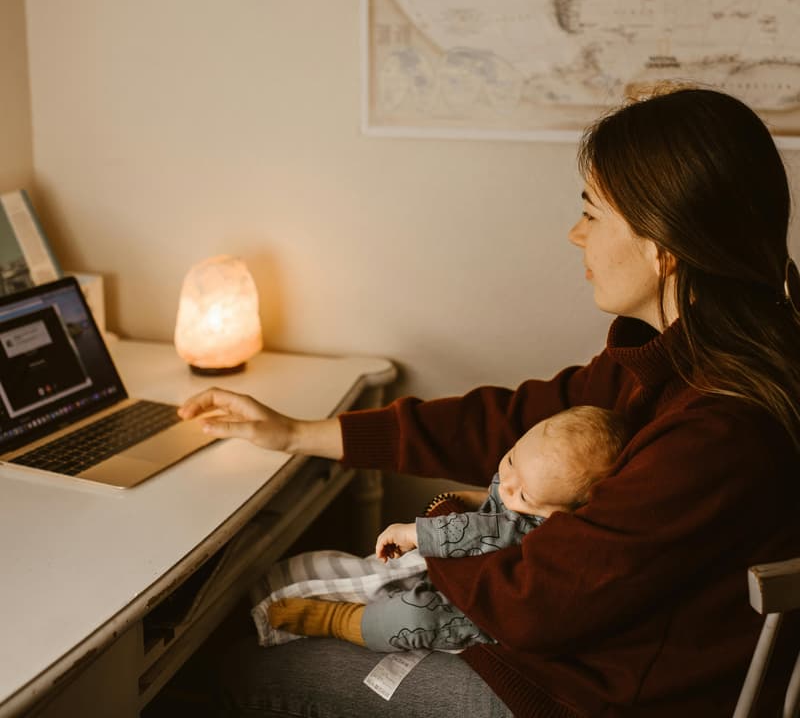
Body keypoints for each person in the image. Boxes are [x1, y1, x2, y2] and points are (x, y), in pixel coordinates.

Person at [179, 86, 800, 717]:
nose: (573, 234)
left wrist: (447, 524)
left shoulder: (719, 430)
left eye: (592, 213)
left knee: (240, 668)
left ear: (662, 248)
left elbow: (532, 606)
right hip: (576, 656)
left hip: (586, 696)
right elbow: (508, 421)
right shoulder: (683, 358)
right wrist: (300, 433)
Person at [266, 405, 629, 653]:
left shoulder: (541, 529)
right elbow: (490, 501)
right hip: (452, 573)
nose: (506, 485)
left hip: (473, 613)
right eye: (511, 459)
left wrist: (415, 532)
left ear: (561, 513)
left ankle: (337, 620)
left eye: (524, 493)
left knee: (413, 618)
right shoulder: (522, 482)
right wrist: (467, 497)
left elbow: (486, 529)